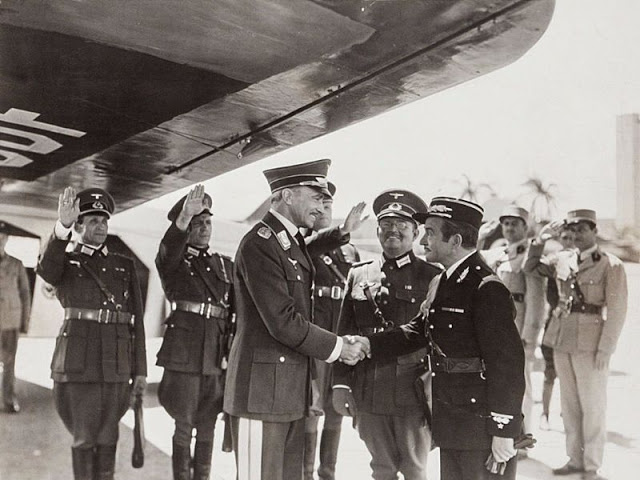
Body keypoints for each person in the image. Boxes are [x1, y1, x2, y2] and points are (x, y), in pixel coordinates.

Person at [223, 159, 369, 480]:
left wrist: (341, 233)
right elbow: (283, 321)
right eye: (316, 197)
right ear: (287, 196)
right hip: (261, 396)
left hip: (286, 395)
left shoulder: (286, 242)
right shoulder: (260, 244)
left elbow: (307, 248)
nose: (322, 205)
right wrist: (339, 347)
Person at [363, 196, 526, 480]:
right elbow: (418, 331)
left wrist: (504, 430)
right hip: (452, 420)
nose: (423, 240)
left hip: (481, 426)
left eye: (430, 233)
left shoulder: (486, 288)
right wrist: (366, 345)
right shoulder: (443, 281)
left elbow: (507, 364)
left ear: (455, 241)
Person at [37, 187, 147, 480]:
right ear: (79, 226)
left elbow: (137, 323)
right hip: (78, 365)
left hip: (116, 366)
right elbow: (46, 271)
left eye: (104, 220)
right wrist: (61, 227)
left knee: (110, 437)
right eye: (94, 220)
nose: (101, 226)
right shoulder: (65, 261)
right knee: (84, 439)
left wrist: (140, 370)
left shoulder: (124, 266)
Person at [332, 189, 441, 480]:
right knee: (381, 469)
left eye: (402, 225)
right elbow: (345, 332)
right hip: (369, 387)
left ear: (416, 233)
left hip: (412, 390)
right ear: (377, 231)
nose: (394, 230)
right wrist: (340, 384)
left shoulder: (432, 275)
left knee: (415, 469)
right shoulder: (358, 273)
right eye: (387, 224)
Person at [524, 210, 628, 480]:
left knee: (592, 406)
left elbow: (617, 311)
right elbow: (530, 267)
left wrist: (606, 349)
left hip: (591, 343)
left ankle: (592, 466)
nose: (577, 234)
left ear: (594, 231)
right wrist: (540, 240)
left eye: (583, 229)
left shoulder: (610, 264)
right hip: (562, 338)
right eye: (573, 229)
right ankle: (574, 459)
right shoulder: (562, 259)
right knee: (569, 405)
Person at [155, 184, 234, 480]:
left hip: (215, 354)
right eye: (197, 223)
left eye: (207, 222)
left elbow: (236, 312)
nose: (203, 228)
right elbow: (168, 249)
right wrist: (182, 220)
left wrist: (230, 353)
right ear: (187, 227)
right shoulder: (174, 262)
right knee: (183, 424)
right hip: (184, 354)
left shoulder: (224, 265)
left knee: (208, 424)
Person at [303, 182, 361, 480]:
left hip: (341, 331)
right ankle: (305, 473)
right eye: (320, 204)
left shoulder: (350, 250)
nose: (325, 210)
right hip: (316, 332)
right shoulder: (305, 244)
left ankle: (328, 473)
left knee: (336, 407)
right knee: (312, 407)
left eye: (329, 205)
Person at [480, 206, 546, 445]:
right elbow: (472, 258)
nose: (509, 228)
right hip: (495, 330)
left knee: (521, 385)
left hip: (518, 330)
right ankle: (502, 435)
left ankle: (522, 437)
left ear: (525, 228)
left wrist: (530, 336)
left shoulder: (530, 256)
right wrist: (480, 237)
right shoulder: (498, 253)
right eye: (506, 223)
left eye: (514, 224)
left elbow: (536, 301)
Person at [539, 225, 575, 430]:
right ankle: (544, 413)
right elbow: (532, 266)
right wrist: (542, 240)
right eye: (565, 237)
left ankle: (566, 412)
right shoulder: (554, 261)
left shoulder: (582, 261)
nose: (569, 241)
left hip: (574, 325)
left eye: (572, 237)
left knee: (569, 374)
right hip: (554, 321)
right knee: (550, 372)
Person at [0, 224, 32, 414]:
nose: (0, 241)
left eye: (3, 237)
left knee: (9, 363)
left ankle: (8, 400)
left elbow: (25, 293)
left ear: (7, 240)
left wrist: (24, 321)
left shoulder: (16, 264)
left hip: (11, 320)